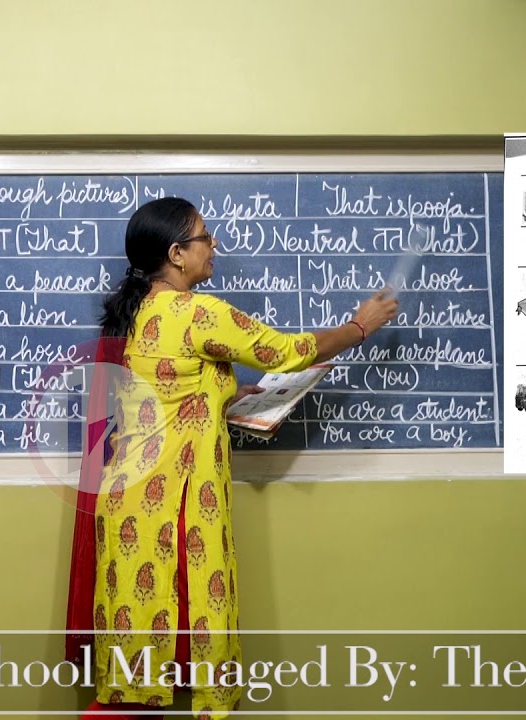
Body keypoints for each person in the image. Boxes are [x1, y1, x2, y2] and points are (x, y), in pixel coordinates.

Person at [65, 197, 398, 720]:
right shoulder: (198, 312)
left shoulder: (141, 312)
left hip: (133, 505)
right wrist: (360, 328)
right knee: (190, 644)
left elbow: (172, 390)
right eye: (203, 238)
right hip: (176, 509)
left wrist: (233, 397)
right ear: (177, 254)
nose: (213, 245)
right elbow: (288, 350)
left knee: (138, 667)